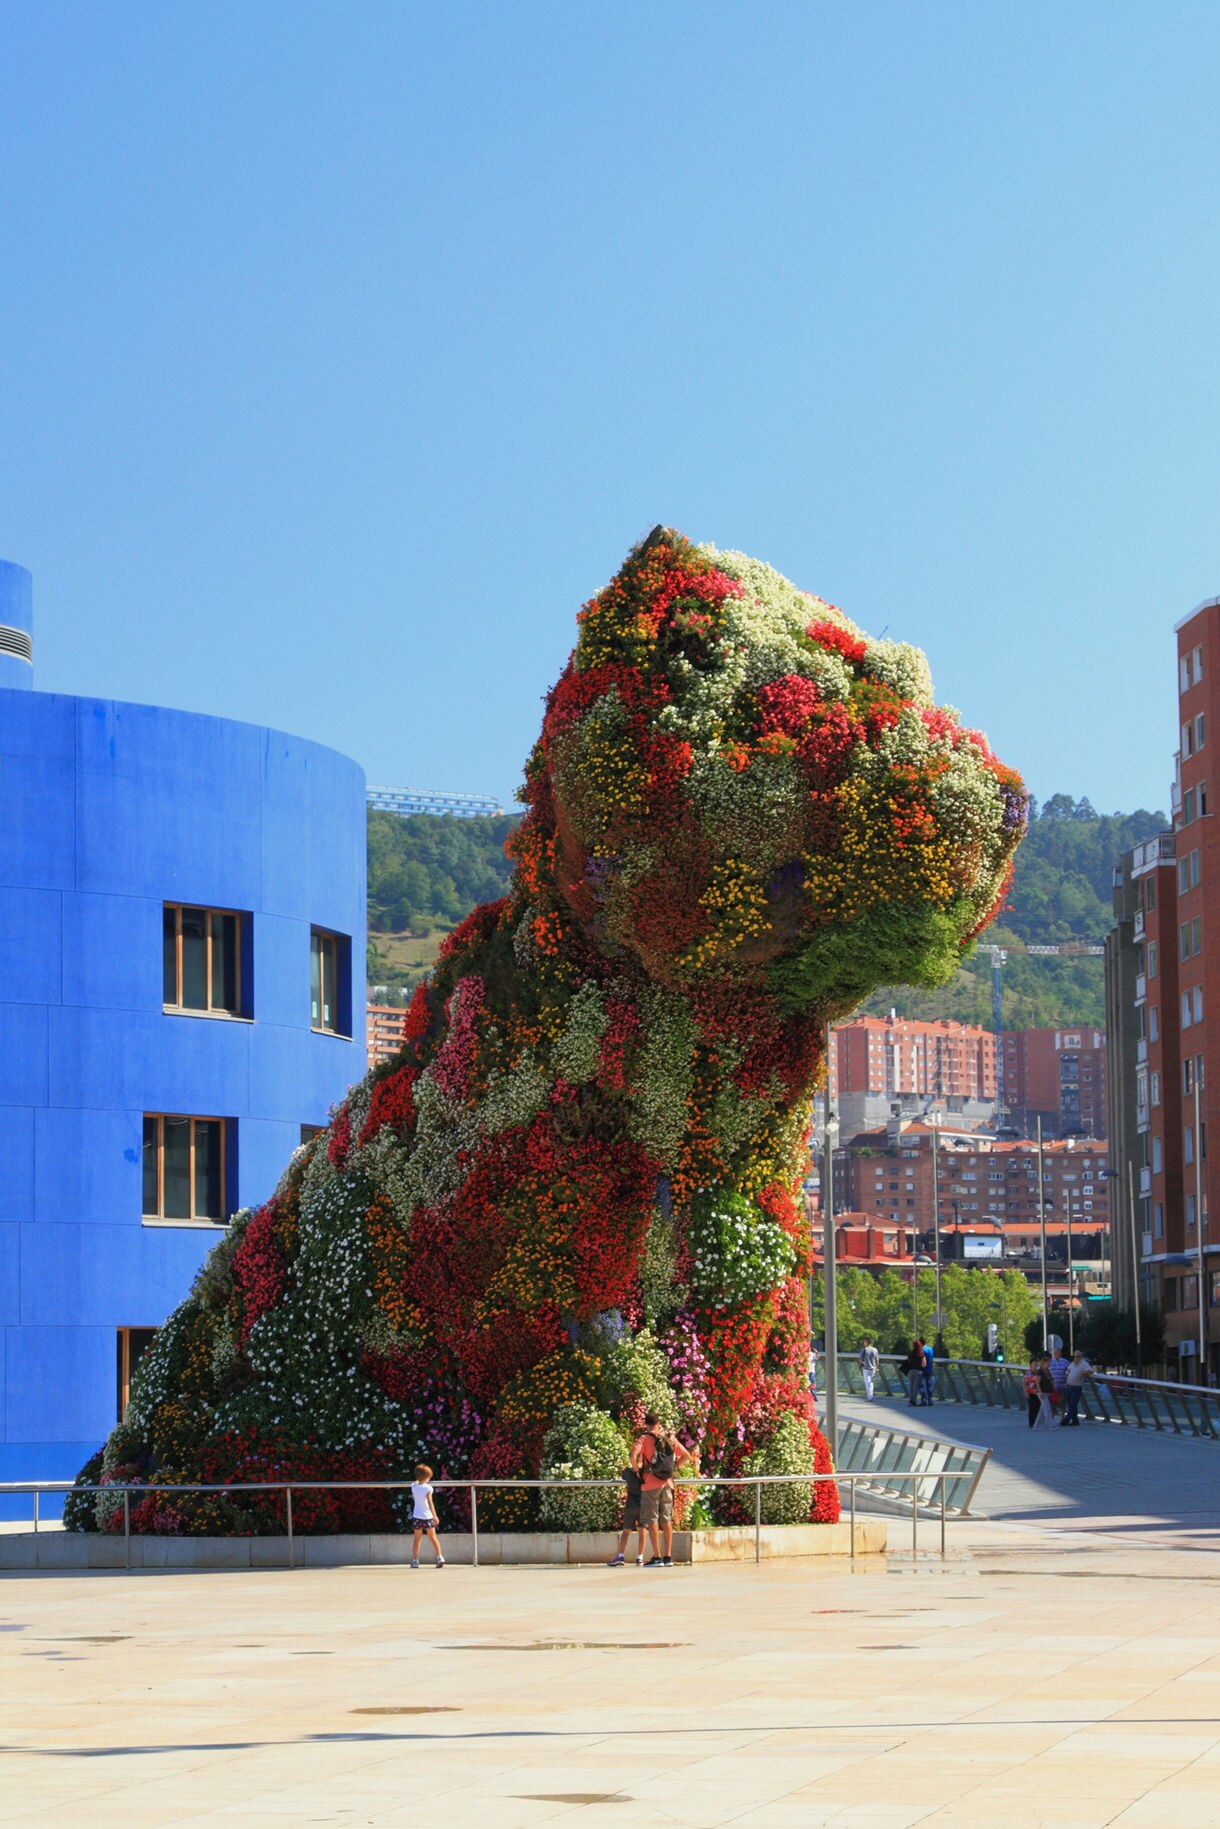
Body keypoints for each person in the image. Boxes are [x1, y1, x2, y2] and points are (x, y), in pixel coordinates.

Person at [633, 1413, 693, 1568]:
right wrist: (673, 1468)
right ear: (659, 1423)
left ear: (646, 1424)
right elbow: (687, 1456)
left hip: (650, 1484)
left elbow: (633, 1455)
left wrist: (637, 1471)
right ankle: (668, 1557)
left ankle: (657, 1557)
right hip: (667, 1484)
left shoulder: (644, 1439)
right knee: (666, 1520)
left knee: (652, 1520)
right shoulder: (669, 1438)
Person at [607, 1460, 647, 1566]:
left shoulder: (628, 1472)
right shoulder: (646, 1471)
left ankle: (620, 1555)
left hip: (631, 1504)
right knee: (642, 1530)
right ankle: (640, 1557)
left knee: (626, 1530)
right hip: (644, 1503)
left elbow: (622, 1474)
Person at [410, 1462, 446, 1569]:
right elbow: (430, 1503)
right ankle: (439, 1557)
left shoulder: (413, 1486)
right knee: (433, 1537)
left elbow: (415, 1482)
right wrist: (435, 1516)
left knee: (417, 1539)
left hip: (417, 1516)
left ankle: (415, 1560)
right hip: (428, 1516)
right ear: (426, 1477)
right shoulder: (428, 1488)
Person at [1063, 1349, 1094, 1426]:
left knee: (1072, 1404)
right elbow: (1068, 1371)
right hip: (1069, 1386)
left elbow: (1091, 1370)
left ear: (1081, 1357)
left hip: (1077, 1387)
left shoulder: (1084, 1364)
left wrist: (1084, 1372)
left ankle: (1066, 1420)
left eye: (1078, 1356)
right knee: (1071, 1404)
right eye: (1075, 1356)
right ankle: (1075, 1420)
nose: (1076, 1358)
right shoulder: (1072, 1364)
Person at [1048, 1343, 1070, 1422]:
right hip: (1052, 1387)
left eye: (1057, 1352)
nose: (1055, 1354)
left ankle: (1062, 1418)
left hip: (1062, 1386)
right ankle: (1052, 1418)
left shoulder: (1065, 1361)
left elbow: (1069, 1371)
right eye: (1054, 1353)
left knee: (1062, 1402)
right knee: (1052, 1403)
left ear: (1060, 1353)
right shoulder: (1049, 1362)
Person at [1034, 1355, 1055, 1430]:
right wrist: (1040, 1392)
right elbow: (1037, 1382)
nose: (1049, 1365)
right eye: (1048, 1363)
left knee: (1042, 1410)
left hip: (1047, 1392)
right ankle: (1051, 1425)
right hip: (1042, 1392)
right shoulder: (1040, 1371)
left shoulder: (1047, 1371)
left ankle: (1037, 1425)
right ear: (1044, 1363)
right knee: (1047, 1409)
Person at [858, 1336, 880, 1400]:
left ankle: (869, 1396)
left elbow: (860, 1359)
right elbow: (877, 1360)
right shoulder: (875, 1349)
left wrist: (863, 1362)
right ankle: (871, 1395)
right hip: (873, 1368)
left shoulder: (864, 1349)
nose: (864, 1343)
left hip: (866, 1368)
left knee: (867, 1382)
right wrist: (877, 1367)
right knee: (871, 1382)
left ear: (867, 1342)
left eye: (864, 1341)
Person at [1024, 1357, 1042, 1429]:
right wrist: (1026, 1392)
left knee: (1038, 1407)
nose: (1035, 1365)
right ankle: (1031, 1422)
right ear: (1031, 1365)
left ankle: (1037, 1422)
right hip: (1031, 1392)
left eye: (1036, 1364)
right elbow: (1024, 1383)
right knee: (1032, 1408)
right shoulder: (1028, 1373)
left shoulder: (1038, 1373)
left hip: (1037, 1392)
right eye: (1034, 1364)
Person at [904, 1340, 924, 1407]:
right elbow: (924, 1364)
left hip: (911, 1371)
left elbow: (908, 1362)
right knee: (915, 1387)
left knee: (911, 1387)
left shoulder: (910, 1354)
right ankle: (913, 1401)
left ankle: (910, 1400)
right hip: (918, 1372)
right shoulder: (921, 1354)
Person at [921, 1337, 935, 1407]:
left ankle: (924, 1400)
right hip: (929, 1369)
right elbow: (932, 1360)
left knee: (922, 1385)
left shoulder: (922, 1350)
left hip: (923, 1370)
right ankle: (930, 1400)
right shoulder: (930, 1349)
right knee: (929, 1385)